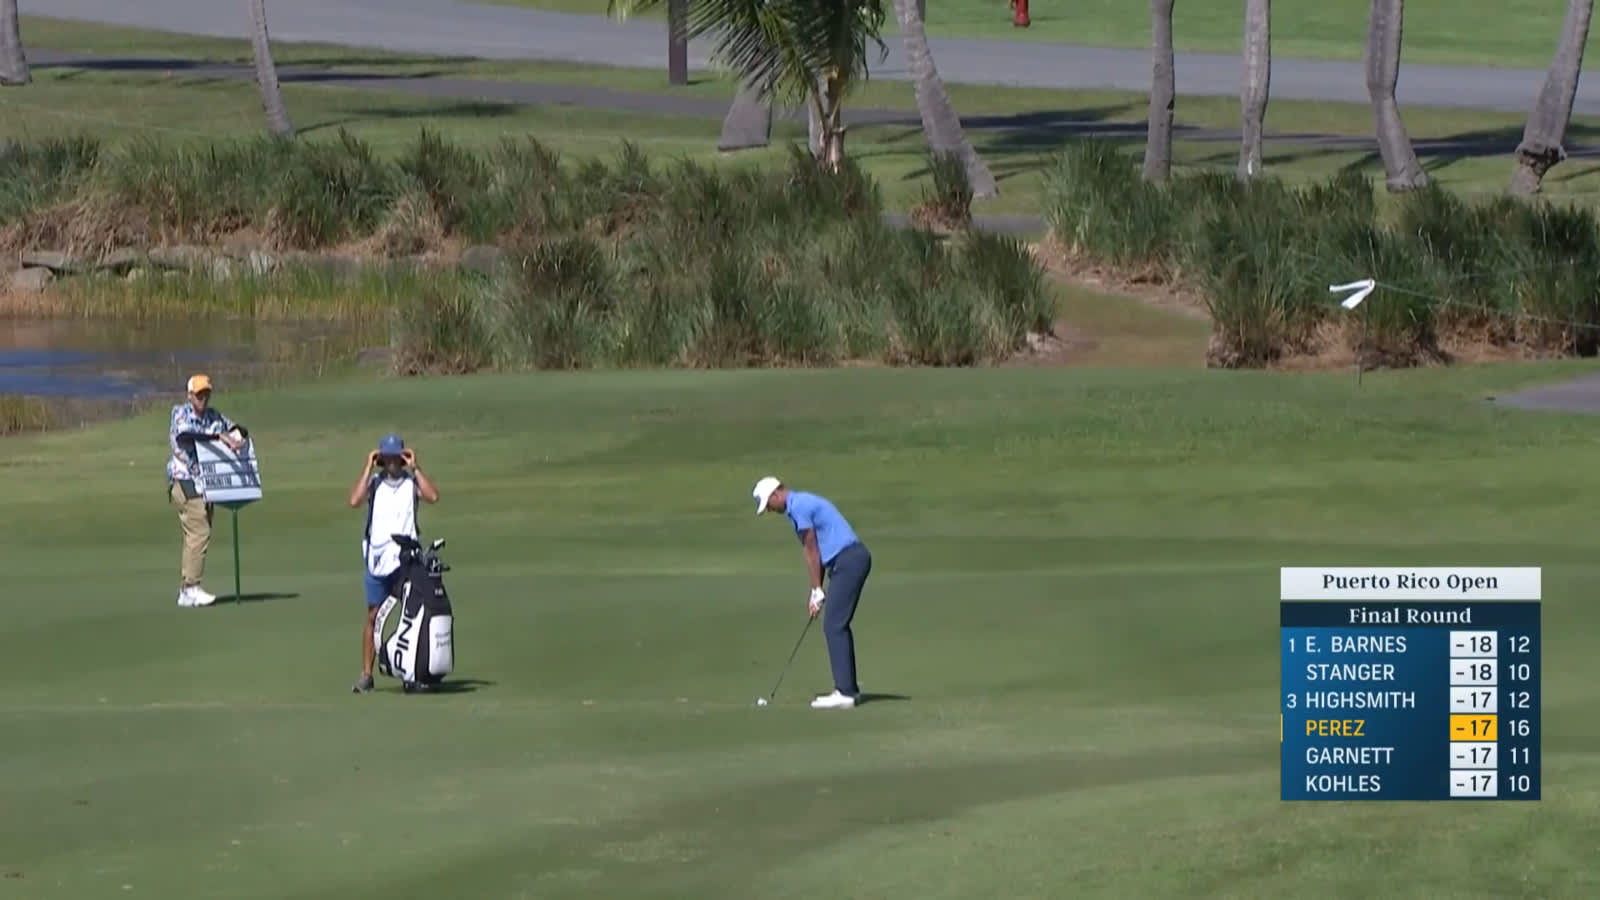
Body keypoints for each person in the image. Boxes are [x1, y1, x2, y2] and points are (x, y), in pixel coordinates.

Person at [752, 476, 872, 709]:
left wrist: (816, 590)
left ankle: (845, 693)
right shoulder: (800, 504)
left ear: (776, 494)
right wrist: (816, 589)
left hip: (849, 560)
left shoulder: (799, 507)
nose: (769, 510)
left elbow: (811, 549)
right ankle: (848, 690)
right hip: (847, 561)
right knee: (836, 624)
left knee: (834, 625)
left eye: (768, 504)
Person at [348, 433, 440, 693]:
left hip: (406, 561)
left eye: (395, 458)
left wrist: (416, 467)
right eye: (386, 458)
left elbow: (433, 496)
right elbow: (354, 500)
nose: (391, 463)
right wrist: (367, 466)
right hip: (378, 560)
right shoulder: (375, 484)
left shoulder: (411, 484)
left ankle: (411, 669)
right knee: (373, 616)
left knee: (412, 616)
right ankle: (367, 674)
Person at [166, 373, 244, 608]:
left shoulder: (214, 416)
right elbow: (185, 435)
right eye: (198, 394)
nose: (203, 398)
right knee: (199, 531)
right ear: (190, 395)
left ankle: (186, 590)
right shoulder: (180, 412)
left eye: (206, 393)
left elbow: (237, 428)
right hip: (184, 480)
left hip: (206, 482)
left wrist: (237, 437)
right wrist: (217, 436)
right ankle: (191, 587)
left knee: (198, 533)